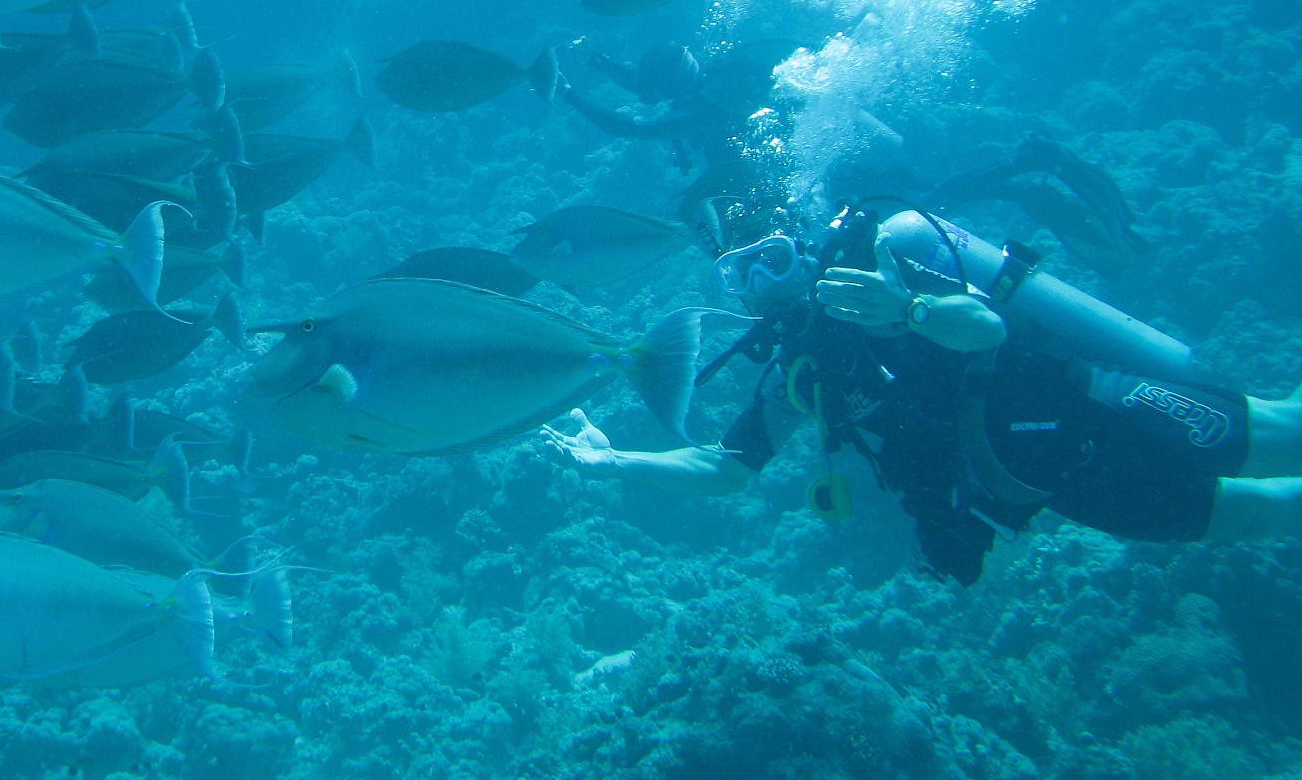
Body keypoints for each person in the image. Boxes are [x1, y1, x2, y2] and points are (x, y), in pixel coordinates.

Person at [543, 203, 1302, 582]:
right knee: (1260, 513)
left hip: (1099, 406)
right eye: (740, 273)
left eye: (772, 259)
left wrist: (907, 310)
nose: (763, 285)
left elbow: (987, 329)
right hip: (1053, 484)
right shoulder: (805, 372)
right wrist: (613, 462)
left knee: (1281, 434)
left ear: (802, 247)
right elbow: (726, 469)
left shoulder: (890, 269)